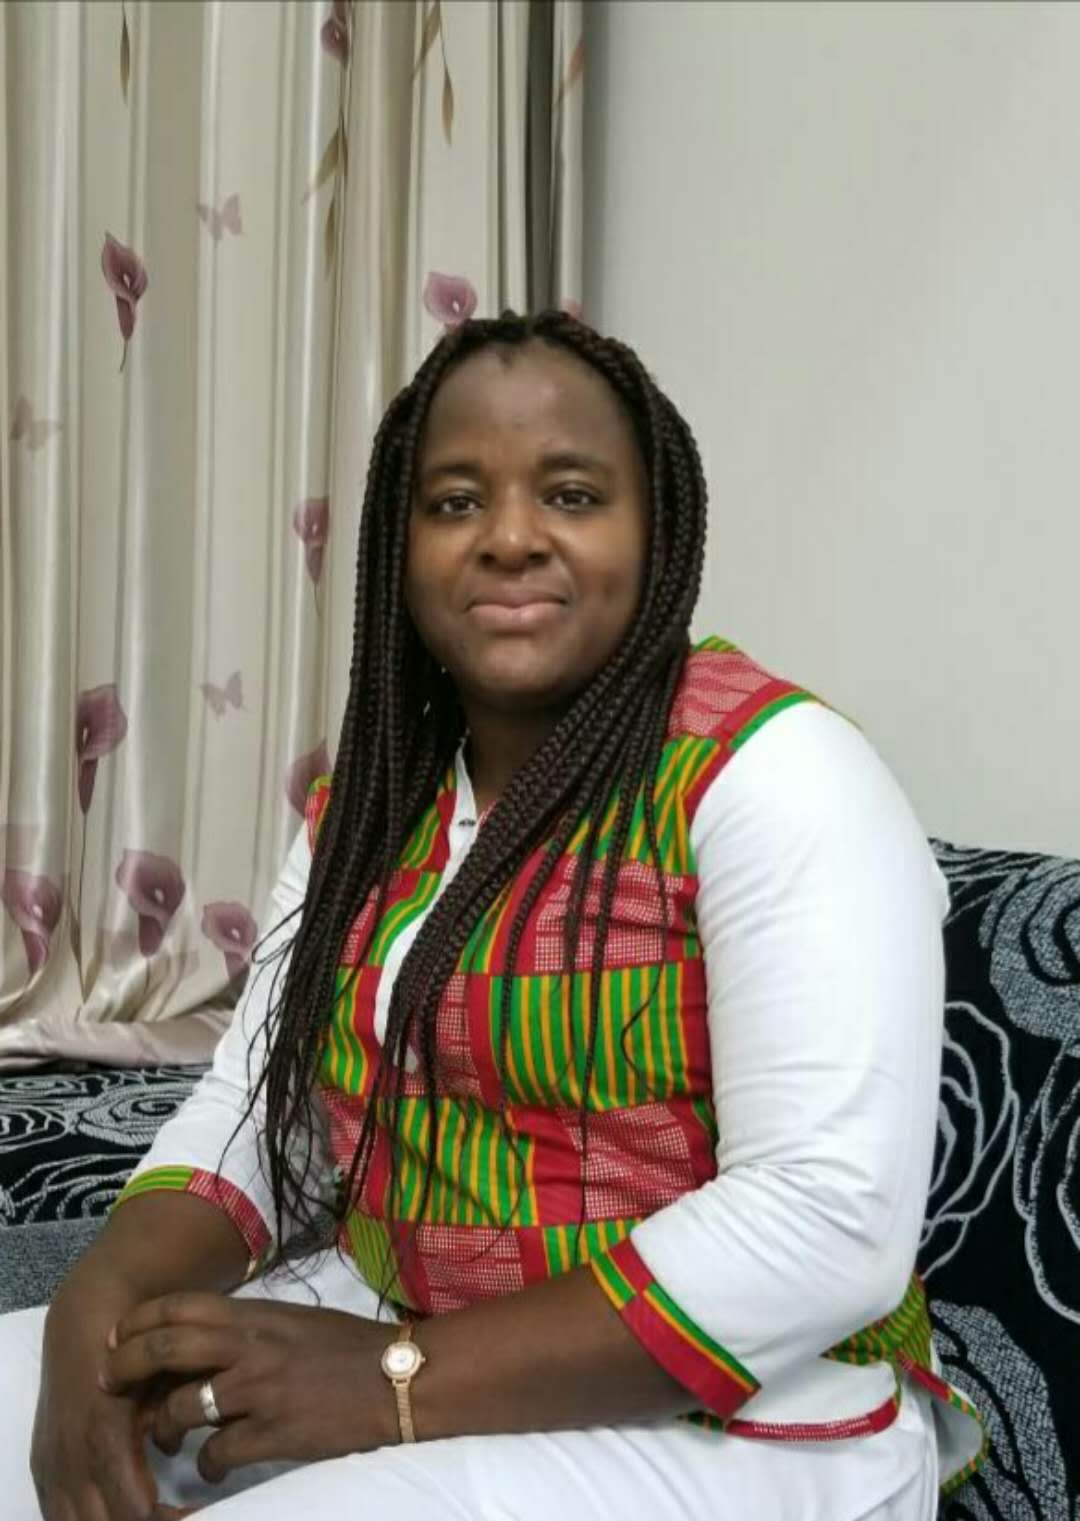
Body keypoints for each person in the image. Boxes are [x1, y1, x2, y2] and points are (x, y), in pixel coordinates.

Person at [1, 310, 984, 1521]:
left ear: (657, 531)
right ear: (399, 546)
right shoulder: (374, 800)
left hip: (743, 1421)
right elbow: (265, 1104)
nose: (511, 537)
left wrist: (392, 1381)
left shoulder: (779, 772)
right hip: (401, 1330)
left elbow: (824, 1225)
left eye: (572, 495)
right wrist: (100, 1300)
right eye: (456, 501)